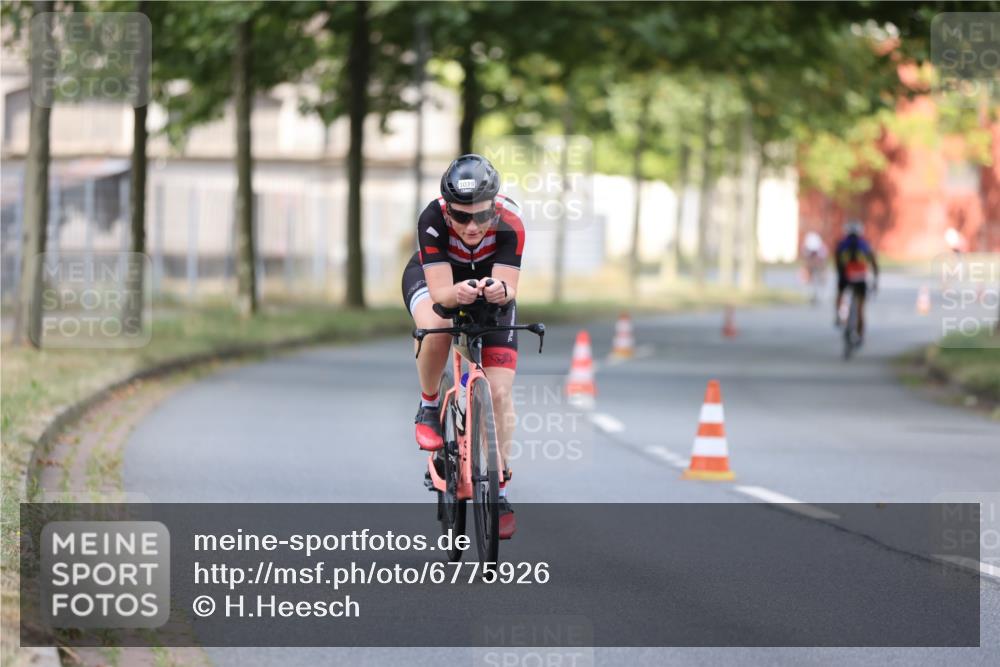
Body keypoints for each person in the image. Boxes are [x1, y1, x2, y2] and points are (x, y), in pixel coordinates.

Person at [401, 154, 525, 539]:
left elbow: (509, 287)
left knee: (501, 392)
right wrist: (457, 293)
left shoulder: (511, 223)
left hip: (487, 285)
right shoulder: (431, 220)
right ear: (446, 209)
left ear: (495, 207)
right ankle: (428, 403)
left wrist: (498, 291)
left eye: (481, 216)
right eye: (461, 216)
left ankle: (500, 490)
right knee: (437, 324)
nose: (472, 226)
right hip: (437, 279)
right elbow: (440, 293)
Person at [834, 220, 879, 343]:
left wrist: (840, 274)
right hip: (860, 277)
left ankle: (838, 314)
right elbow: (873, 263)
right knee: (860, 308)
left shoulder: (842, 243)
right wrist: (875, 279)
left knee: (840, 292)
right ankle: (860, 335)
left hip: (845, 276)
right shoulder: (864, 244)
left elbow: (837, 261)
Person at [801, 231, 828, 304]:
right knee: (808, 275)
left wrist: (822, 273)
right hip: (811, 264)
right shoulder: (806, 248)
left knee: (822, 276)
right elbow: (806, 261)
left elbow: (823, 263)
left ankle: (820, 294)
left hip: (819, 263)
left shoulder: (822, 249)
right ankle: (811, 294)